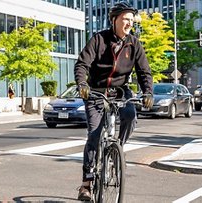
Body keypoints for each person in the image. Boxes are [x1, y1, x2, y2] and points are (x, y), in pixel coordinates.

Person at [74, 1, 154, 201]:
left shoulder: (134, 44)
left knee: (129, 114)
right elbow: (82, 64)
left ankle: (117, 149)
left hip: (119, 91)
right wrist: (82, 84)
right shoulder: (99, 39)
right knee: (94, 134)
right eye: (125, 19)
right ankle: (86, 183)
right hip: (96, 91)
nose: (129, 23)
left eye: (131, 20)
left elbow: (144, 72)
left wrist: (148, 93)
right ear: (114, 20)